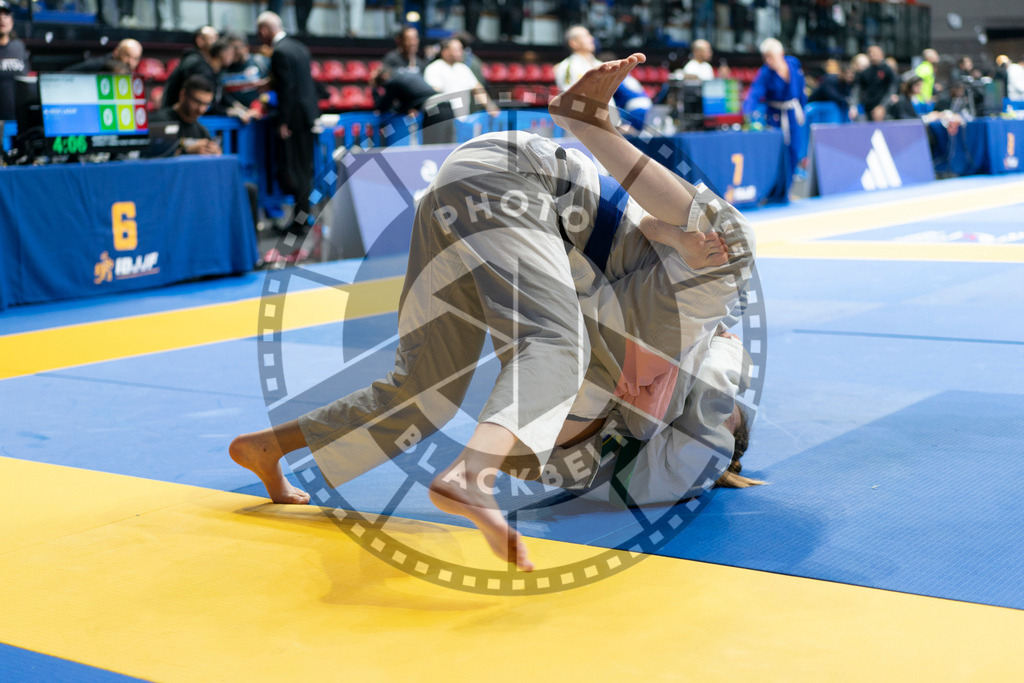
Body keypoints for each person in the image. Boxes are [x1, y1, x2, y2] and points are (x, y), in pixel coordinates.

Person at [229, 55, 758, 570]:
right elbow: (660, 235)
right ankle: (589, 124)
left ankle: (267, 448)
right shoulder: (692, 325)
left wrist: (671, 244)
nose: (718, 408)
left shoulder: (662, 348)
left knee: (422, 394)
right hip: (518, 179)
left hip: (466, 192)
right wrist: (672, 239)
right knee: (560, 341)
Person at [257, 11, 319, 238]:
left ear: (265, 30)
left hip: (293, 120)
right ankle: (303, 220)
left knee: (296, 173)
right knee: (304, 171)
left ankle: (300, 223)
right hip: (307, 115)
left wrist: (284, 122)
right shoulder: (299, 47)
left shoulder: (280, 52)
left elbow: (287, 90)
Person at [742, 38, 807, 174]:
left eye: (770, 56)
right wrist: (747, 111)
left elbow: (801, 88)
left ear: (781, 53)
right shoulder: (765, 73)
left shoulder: (793, 63)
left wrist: (803, 106)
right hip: (775, 115)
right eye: (765, 57)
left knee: (795, 149)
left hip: (792, 113)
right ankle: (779, 185)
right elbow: (754, 93)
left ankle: (790, 181)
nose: (768, 61)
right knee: (778, 152)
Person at [422, 37, 499, 117]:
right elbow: (434, 94)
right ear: (445, 52)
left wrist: (490, 106)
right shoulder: (434, 68)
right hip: (444, 119)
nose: (460, 53)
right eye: (456, 50)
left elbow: (477, 88)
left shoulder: (463, 68)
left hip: (463, 119)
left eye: (461, 49)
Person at [149, 75, 223, 156]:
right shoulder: (160, 123)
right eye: (197, 102)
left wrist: (215, 153)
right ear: (183, 94)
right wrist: (186, 152)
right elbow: (154, 156)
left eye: (206, 104)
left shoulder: (202, 131)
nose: (201, 109)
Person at [852, 44, 897, 122]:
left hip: (886, 109)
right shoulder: (865, 72)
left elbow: (891, 89)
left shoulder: (887, 70)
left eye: (875, 53)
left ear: (881, 54)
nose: (872, 55)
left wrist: (882, 106)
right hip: (868, 108)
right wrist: (853, 106)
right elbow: (857, 89)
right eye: (870, 53)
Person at [0, 0, 28, 122]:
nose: (2, 19)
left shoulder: (19, 47)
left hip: (18, 120)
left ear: (11, 22)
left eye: (6, 15)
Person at [64, 39, 142, 74]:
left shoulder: (136, 74)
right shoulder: (98, 65)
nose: (130, 62)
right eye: (127, 55)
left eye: (135, 59)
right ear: (116, 52)